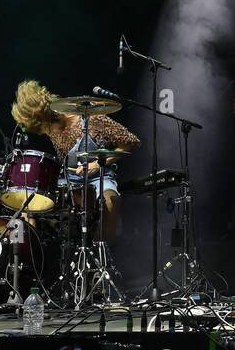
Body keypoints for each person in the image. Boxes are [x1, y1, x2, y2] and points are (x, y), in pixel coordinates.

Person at [10, 79, 140, 242]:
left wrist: (98, 164)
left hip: (99, 176)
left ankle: (99, 252)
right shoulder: (50, 126)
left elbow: (131, 142)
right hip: (69, 178)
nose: (45, 133)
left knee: (111, 201)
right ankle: (35, 252)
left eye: (45, 128)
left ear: (51, 116)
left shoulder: (92, 117)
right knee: (29, 204)